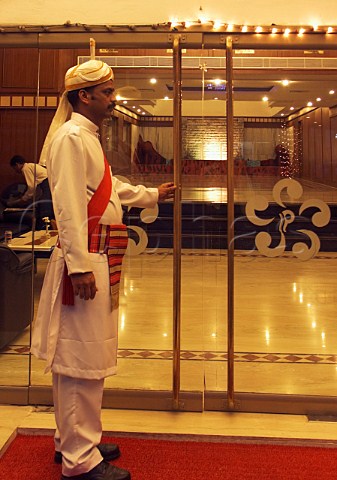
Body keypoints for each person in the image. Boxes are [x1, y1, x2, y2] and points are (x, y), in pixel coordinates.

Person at [30, 59, 176, 480]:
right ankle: (80, 459)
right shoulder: (73, 137)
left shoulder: (87, 137)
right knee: (81, 359)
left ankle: (73, 440)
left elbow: (107, 191)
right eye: (107, 93)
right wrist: (78, 267)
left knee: (81, 354)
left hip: (96, 257)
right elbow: (70, 207)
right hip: (86, 260)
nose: (114, 100)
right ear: (83, 96)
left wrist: (151, 194)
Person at [9, 154, 55, 230]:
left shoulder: (25, 168)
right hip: (50, 183)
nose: (15, 171)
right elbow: (35, 189)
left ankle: (44, 230)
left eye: (14, 168)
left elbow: (31, 187)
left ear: (17, 165)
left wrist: (23, 199)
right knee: (44, 207)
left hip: (47, 184)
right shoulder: (31, 166)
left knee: (45, 210)